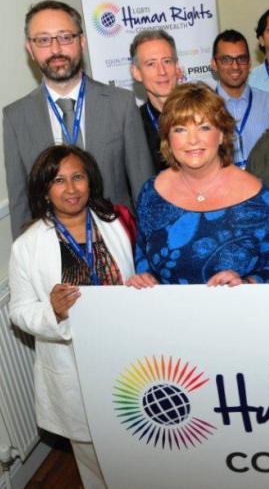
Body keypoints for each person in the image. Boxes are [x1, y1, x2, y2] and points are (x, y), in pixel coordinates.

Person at [9, 145, 135, 489]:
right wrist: (52, 310)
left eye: (78, 177)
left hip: (126, 356)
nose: (71, 188)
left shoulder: (117, 222)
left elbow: (140, 274)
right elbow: (19, 311)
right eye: (59, 180)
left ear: (90, 181)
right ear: (44, 190)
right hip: (75, 364)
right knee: (93, 455)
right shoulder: (28, 245)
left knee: (138, 439)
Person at [3, 0, 154, 239]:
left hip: (118, 244)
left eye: (65, 37)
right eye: (43, 40)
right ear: (30, 49)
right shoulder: (15, 117)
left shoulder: (121, 104)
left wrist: (148, 256)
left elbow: (143, 190)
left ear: (81, 42)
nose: (55, 49)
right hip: (54, 254)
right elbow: (20, 204)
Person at [127, 83, 269, 287]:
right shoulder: (151, 194)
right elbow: (142, 254)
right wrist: (146, 278)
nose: (192, 140)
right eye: (180, 129)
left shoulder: (260, 199)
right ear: (168, 138)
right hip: (170, 315)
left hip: (238, 315)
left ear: (222, 134)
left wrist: (247, 283)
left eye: (204, 127)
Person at [210, 29, 269, 169]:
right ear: (214, 64)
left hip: (264, 187)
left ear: (250, 62)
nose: (235, 66)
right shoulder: (203, 108)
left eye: (241, 59)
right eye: (226, 60)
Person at [129, 29, 181, 172]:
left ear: (177, 67)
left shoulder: (202, 114)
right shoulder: (132, 126)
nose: (162, 71)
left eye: (167, 61)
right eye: (151, 64)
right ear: (136, 73)